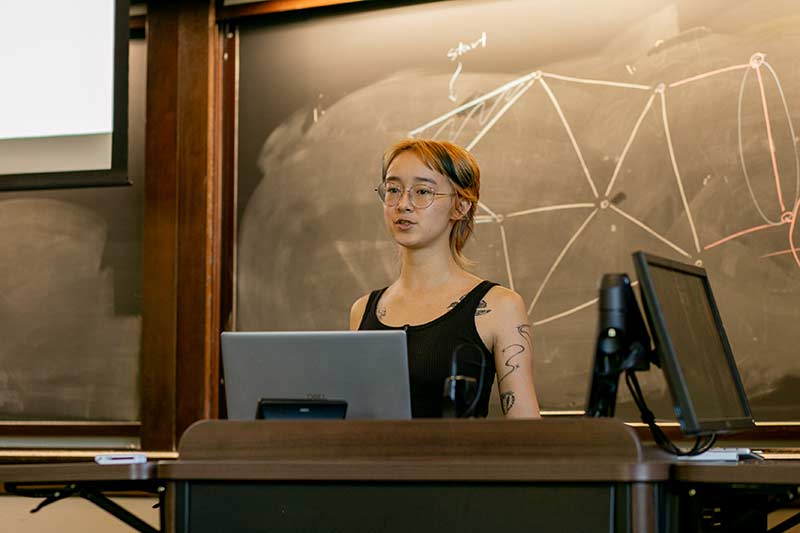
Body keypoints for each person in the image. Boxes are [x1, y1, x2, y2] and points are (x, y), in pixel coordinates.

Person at [350, 138, 541, 418]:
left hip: (458, 450)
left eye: (422, 192)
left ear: (461, 205)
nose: (403, 204)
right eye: (393, 189)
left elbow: (527, 428)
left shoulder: (500, 306)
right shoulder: (363, 310)